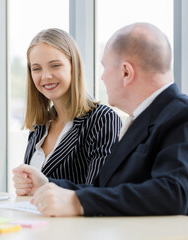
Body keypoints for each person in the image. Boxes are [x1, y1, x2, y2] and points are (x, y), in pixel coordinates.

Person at [13, 23, 188, 220]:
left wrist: (79, 202)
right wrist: (47, 184)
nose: (103, 77)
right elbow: (105, 191)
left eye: (105, 67)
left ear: (126, 72)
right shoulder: (141, 122)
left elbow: (172, 193)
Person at [22, 28, 121, 184]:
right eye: (36, 68)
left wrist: (46, 186)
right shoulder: (40, 125)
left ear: (73, 66)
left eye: (55, 65)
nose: (45, 76)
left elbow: (99, 191)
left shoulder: (102, 119)